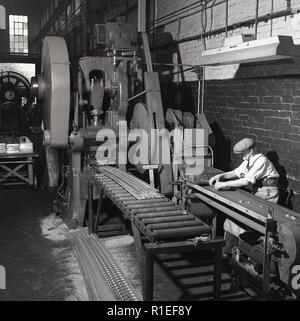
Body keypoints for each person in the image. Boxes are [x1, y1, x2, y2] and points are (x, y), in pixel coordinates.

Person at [208, 137, 280, 257]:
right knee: (236, 217)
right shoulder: (249, 160)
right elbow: (236, 172)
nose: (242, 156)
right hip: (259, 190)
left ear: (250, 151)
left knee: (255, 221)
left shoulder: (261, 161)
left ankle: (248, 254)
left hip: (268, 193)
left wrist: (223, 184)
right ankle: (230, 251)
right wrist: (221, 176)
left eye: (243, 153)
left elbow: (246, 181)